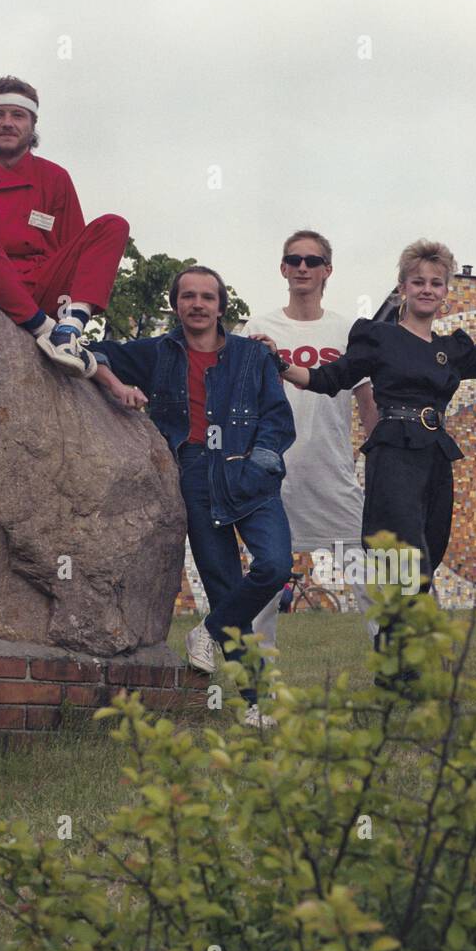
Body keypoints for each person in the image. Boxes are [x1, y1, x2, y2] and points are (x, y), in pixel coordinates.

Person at [276, 239, 476, 618]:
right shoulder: (378, 337)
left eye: (436, 283)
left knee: (428, 553)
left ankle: (403, 652)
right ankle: (401, 661)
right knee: (404, 559)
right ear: (403, 288)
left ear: (445, 292)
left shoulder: (451, 348)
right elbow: (330, 377)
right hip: (394, 455)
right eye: (418, 282)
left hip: (435, 457)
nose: (427, 289)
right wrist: (282, 365)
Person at [88, 267, 295, 727]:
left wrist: (260, 462)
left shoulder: (250, 355)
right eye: (187, 297)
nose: (197, 304)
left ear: (222, 306)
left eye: (206, 297)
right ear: (176, 305)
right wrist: (119, 386)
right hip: (195, 475)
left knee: (275, 565)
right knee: (223, 584)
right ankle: (256, 703)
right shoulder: (157, 353)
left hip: (250, 472)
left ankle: (208, 629)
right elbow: (94, 353)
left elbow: (278, 419)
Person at [0, 75, 130, 379]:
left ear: (32, 125)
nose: (7, 123)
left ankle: (71, 325)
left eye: (18, 115)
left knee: (114, 225)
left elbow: (74, 250)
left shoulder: (56, 177)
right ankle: (49, 332)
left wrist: (66, 307)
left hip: (44, 286)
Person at [246, 229, 379, 650]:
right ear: (283, 268)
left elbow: (367, 401)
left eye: (313, 261)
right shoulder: (258, 327)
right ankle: (258, 695)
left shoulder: (349, 330)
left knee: (371, 581)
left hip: (334, 476)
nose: (303, 267)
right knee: (265, 587)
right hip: (273, 480)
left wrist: (381, 464)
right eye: (295, 260)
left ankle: (398, 679)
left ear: (328, 271)